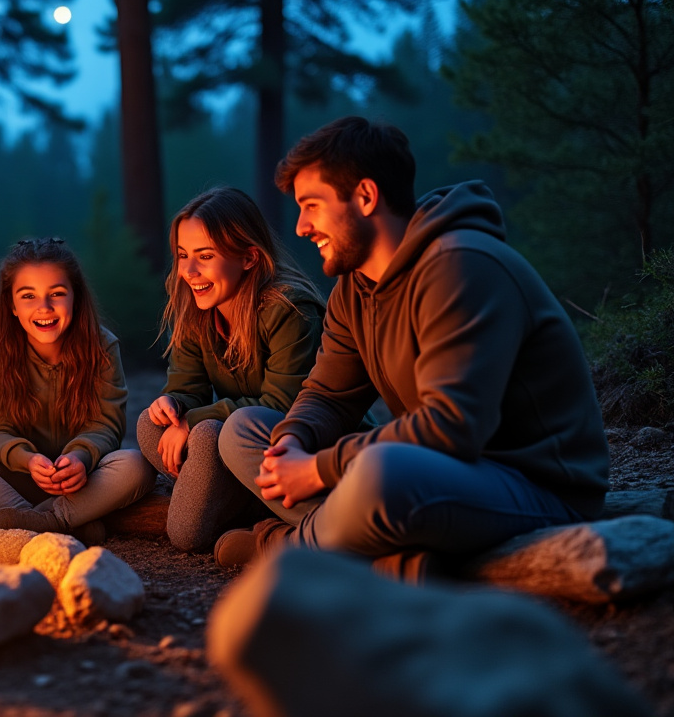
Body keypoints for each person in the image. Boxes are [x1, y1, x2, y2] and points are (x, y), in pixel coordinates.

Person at [214, 116, 610, 576]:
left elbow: (451, 427)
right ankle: (383, 551)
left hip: (532, 483)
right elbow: (327, 395)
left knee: (383, 477)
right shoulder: (354, 287)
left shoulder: (462, 265)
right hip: (435, 473)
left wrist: (319, 469)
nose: (301, 227)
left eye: (311, 205)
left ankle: (287, 547)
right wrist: (291, 445)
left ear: (365, 196)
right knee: (243, 429)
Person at [137, 187, 325, 553]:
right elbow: (187, 386)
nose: (189, 271)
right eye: (182, 256)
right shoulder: (196, 311)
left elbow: (283, 404)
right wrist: (173, 404)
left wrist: (193, 421)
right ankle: (242, 505)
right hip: (239, 444)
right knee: (151, 423)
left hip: (303, 444)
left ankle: (256, 520)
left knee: (208, 437)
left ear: (249, 257)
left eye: (205, 256)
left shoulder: (289, 310)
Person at [0, 238, 156, 545]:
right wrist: (27, 459)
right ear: (12, 306)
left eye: (56, 293)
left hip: (82, 481)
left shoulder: (102, 345)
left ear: (75, 298)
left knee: (136, 465)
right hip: (19, 478)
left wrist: (80, 457)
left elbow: (106, 424)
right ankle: (65, 523)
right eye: (28, 296)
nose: (44, 307)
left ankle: (43, 521)